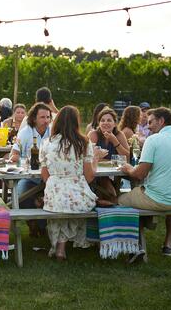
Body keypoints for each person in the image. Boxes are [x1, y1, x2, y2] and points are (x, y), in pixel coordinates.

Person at [119, 107, 171, 261]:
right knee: (167, 196)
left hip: (158, 200)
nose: (148, 126)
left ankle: (136, 246)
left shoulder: (153, 140)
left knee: (119, 200)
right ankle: (167, 245)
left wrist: (128, 169)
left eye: (151, 122)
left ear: (161, 121)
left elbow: (140, 174)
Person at [41, 106, 99, 261]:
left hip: (53, 193)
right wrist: (96, 160)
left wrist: (57, 185)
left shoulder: (47, 143)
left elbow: (45, 174)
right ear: (76, 122)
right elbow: (90, 176)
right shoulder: (84, 143)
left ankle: (59, 247)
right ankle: (63, 246)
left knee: (62, 204)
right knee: (74, 203)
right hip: (77, 193)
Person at [9, 103, 52, 237]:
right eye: (42, 117)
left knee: (52, 197)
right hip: (29, 177)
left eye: (48, 117)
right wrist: (15, 157)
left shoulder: (53, 132)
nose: (46, 120)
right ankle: (33, 223)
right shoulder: (26, 132)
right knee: (20, 196)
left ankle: (42, 226)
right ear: (34, 118)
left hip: (49, 178)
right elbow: (14, 153)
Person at [87, 107, 130, 205]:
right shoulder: (93, 134)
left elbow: (126, 157)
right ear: (99, 123)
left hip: (115, 174)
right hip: (95, 173)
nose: (105, 123)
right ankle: (111, 202)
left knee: (107, 183)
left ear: (115, 123)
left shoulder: (119, 135)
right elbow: (88, 157)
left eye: (109, 120)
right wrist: (102, 158)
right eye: (102, 120)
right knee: (105, 183)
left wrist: (115, 141)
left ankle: (108, 204)